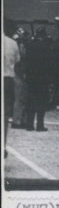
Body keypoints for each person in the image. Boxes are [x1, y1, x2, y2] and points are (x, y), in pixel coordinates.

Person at [24, 27, 55, 132]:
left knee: (30, 101)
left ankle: (29, 124)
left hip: (31, 77)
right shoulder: (47, 47)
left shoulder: (30, 45)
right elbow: (50, 63)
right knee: (42, 102)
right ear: (44, 35)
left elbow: (26, 60)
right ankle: (40, 125)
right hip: (43, 78)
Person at [3, 26, 21, 154]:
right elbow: (17, 60)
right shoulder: (13, 43)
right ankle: (2, 146)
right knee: (4, 115)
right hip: (7, 79)